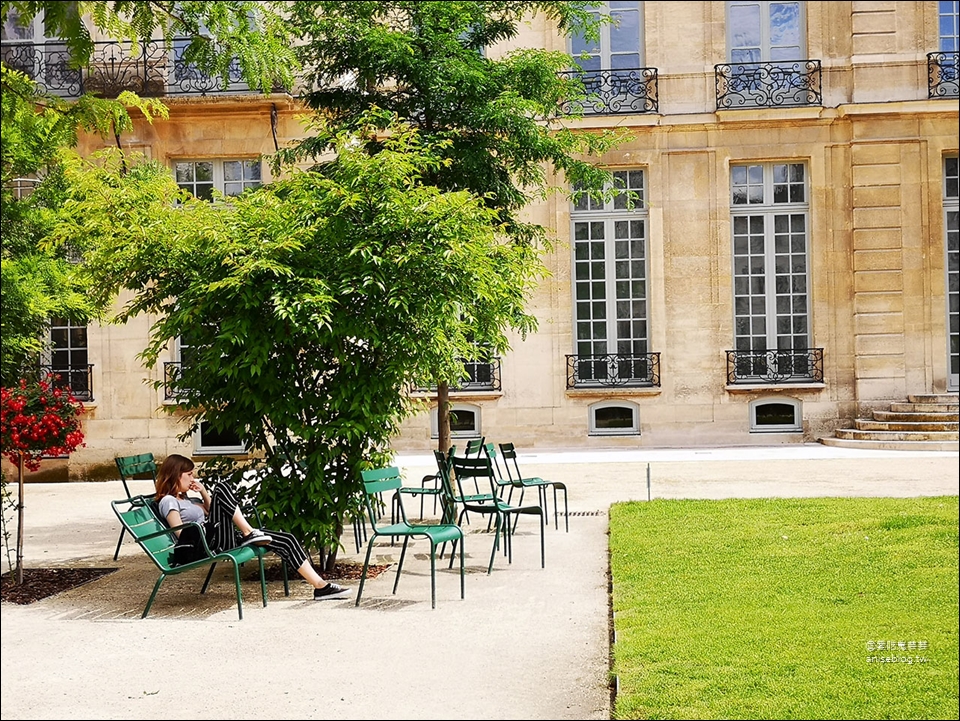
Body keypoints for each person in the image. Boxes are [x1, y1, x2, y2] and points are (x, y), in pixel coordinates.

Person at [154, 453, 351, 601]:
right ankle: (249, 532)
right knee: (222, 487)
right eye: (188, 474)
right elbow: (181, 535)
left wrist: (204, 492)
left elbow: (215, 511)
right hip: (205, 546)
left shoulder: (188, 499)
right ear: (175, 475)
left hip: (218, 538)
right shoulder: (169, 501)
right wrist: (204, 526)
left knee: (285, 539)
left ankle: (320, 586)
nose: (193, 478)